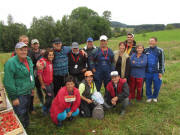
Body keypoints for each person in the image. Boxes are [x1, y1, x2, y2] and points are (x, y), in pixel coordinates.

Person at [4, 42, 35, 128]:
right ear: (16, 51)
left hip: (28, 91)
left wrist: (32, 87)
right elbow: (8, 82)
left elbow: (31, 74)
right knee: (20, 112)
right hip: (19, 94)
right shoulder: (11, 63)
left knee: (26, 110)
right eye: (21, 50)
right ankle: (20, 128)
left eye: (25, 50)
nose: (24, 52)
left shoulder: (28, 59)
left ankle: (26, 124)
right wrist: (14, 97)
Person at [144, 37, 165, 103]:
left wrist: (161, 72)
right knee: (148, 85)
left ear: (156, 42)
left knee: (157, 85)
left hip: (156, 72)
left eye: (152, 41)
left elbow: (162, 62)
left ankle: (155, 96)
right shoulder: (145, 50)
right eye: (150, 41)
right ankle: (149, 96)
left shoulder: (160, 50)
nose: (151, 42)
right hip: (147, 72)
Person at [28, 39, 44, 114]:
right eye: (34, 44)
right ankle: (31, 107)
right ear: (31, 45)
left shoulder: (42, 51)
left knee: (40, 88)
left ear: (39, 44)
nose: (35, 45)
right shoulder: (29, 52)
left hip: (41, 73)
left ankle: (42, 102)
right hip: (32, 73)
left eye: (36, 44)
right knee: (32, 90)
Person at [37, 48, 54, 115]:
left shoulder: (50, 61)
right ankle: (44, 109)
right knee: (49, 97)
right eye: (49, 55)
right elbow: (39, 74)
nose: (51, 56)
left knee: (50, 97)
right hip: (46, 84)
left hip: (51, 83)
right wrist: (42, 84)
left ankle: (49, 108)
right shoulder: (42, 62)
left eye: (52, 55)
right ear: (46, 55)